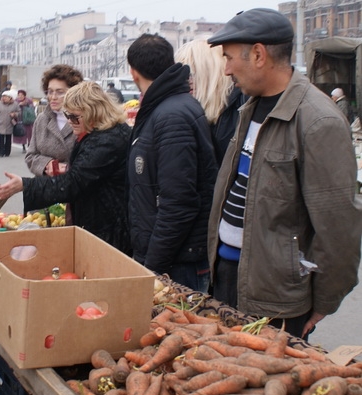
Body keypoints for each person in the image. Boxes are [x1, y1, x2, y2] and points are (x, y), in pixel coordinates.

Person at [206, 8, 362, 339]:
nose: (226, 69)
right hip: (228, 277)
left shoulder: (319, 122)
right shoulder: (249, 107)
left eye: (230, 57)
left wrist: (324, 302)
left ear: (259, 55)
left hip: (276, 299)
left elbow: (338, 229)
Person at [0, 81, 132, 254]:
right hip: (102, 220)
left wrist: (25, 185)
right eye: (68, 116)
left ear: (93, 112)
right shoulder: (101, 133)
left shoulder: (107, 141)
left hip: (108, 227)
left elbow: (73, 183)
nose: (70, 121)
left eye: (75, 117)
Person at [126, 33, 218, 292]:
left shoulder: (171, 115)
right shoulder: (166, 108)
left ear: (133, 72)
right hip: (170, 257)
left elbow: (179, 203)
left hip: (177, 263)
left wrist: (152, 266)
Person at [175, 39, 248, 167]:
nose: (184, 81)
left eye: (189, 74)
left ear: (209, 74)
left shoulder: (241, 110)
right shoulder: (188, 114)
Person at [24, 64, 83, 176]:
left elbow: (91, 160)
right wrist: (47, 164)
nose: (53, 97)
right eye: (50, 91)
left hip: (73, 187)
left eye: (60, 92)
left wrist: (66, 168)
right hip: (44, 187)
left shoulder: (83, 120)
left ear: (73, 93)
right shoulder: (42, 119)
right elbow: (30, 156)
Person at [0, 90, 20, 157]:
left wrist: (14, 114)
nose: (4, 98)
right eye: (3, 96)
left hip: (10, 124)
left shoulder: (15, 104)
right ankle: (1, 152)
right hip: (0, 124)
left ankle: (7, 152)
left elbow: (19, 112)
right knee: (1, 139)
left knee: (8, 139)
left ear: (10, 97)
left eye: (6, 97)